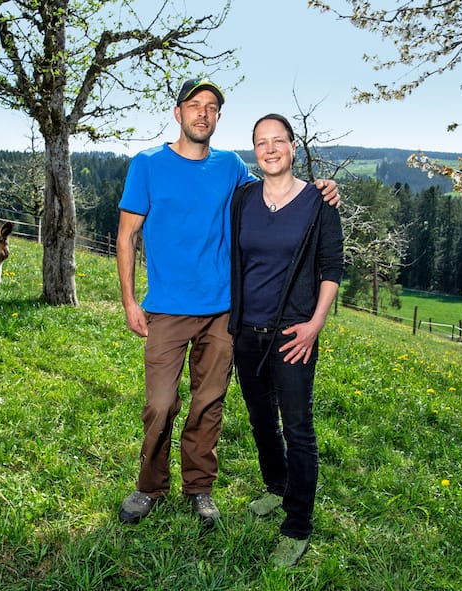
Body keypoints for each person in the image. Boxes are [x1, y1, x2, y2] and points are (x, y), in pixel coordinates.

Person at [116, 79, 338, 526]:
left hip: (223, 313)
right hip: (166, 309)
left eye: (212, 107)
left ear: (218, 118)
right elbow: (126, 236)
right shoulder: (147, 165)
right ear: (177, 113)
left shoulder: (231, 167)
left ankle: (199, 487)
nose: (203, 113)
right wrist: (129, 301)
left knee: (209, 403)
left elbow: (276, 189)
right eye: (194, 105)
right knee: (160, 404)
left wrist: (321, 189)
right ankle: (149, 486)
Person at [228, 113, 343, 567]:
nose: (270, 149)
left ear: (294, 147)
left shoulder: (319, 202)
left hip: (295, 333)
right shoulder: (242, 200)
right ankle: (277, 488)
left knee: (297, 428)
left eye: (279, 141)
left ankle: (298, 526)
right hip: (246, 332)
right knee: (260, 420)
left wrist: (315, 325)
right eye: (261, 142)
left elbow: (332, 268)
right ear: (254, 151)